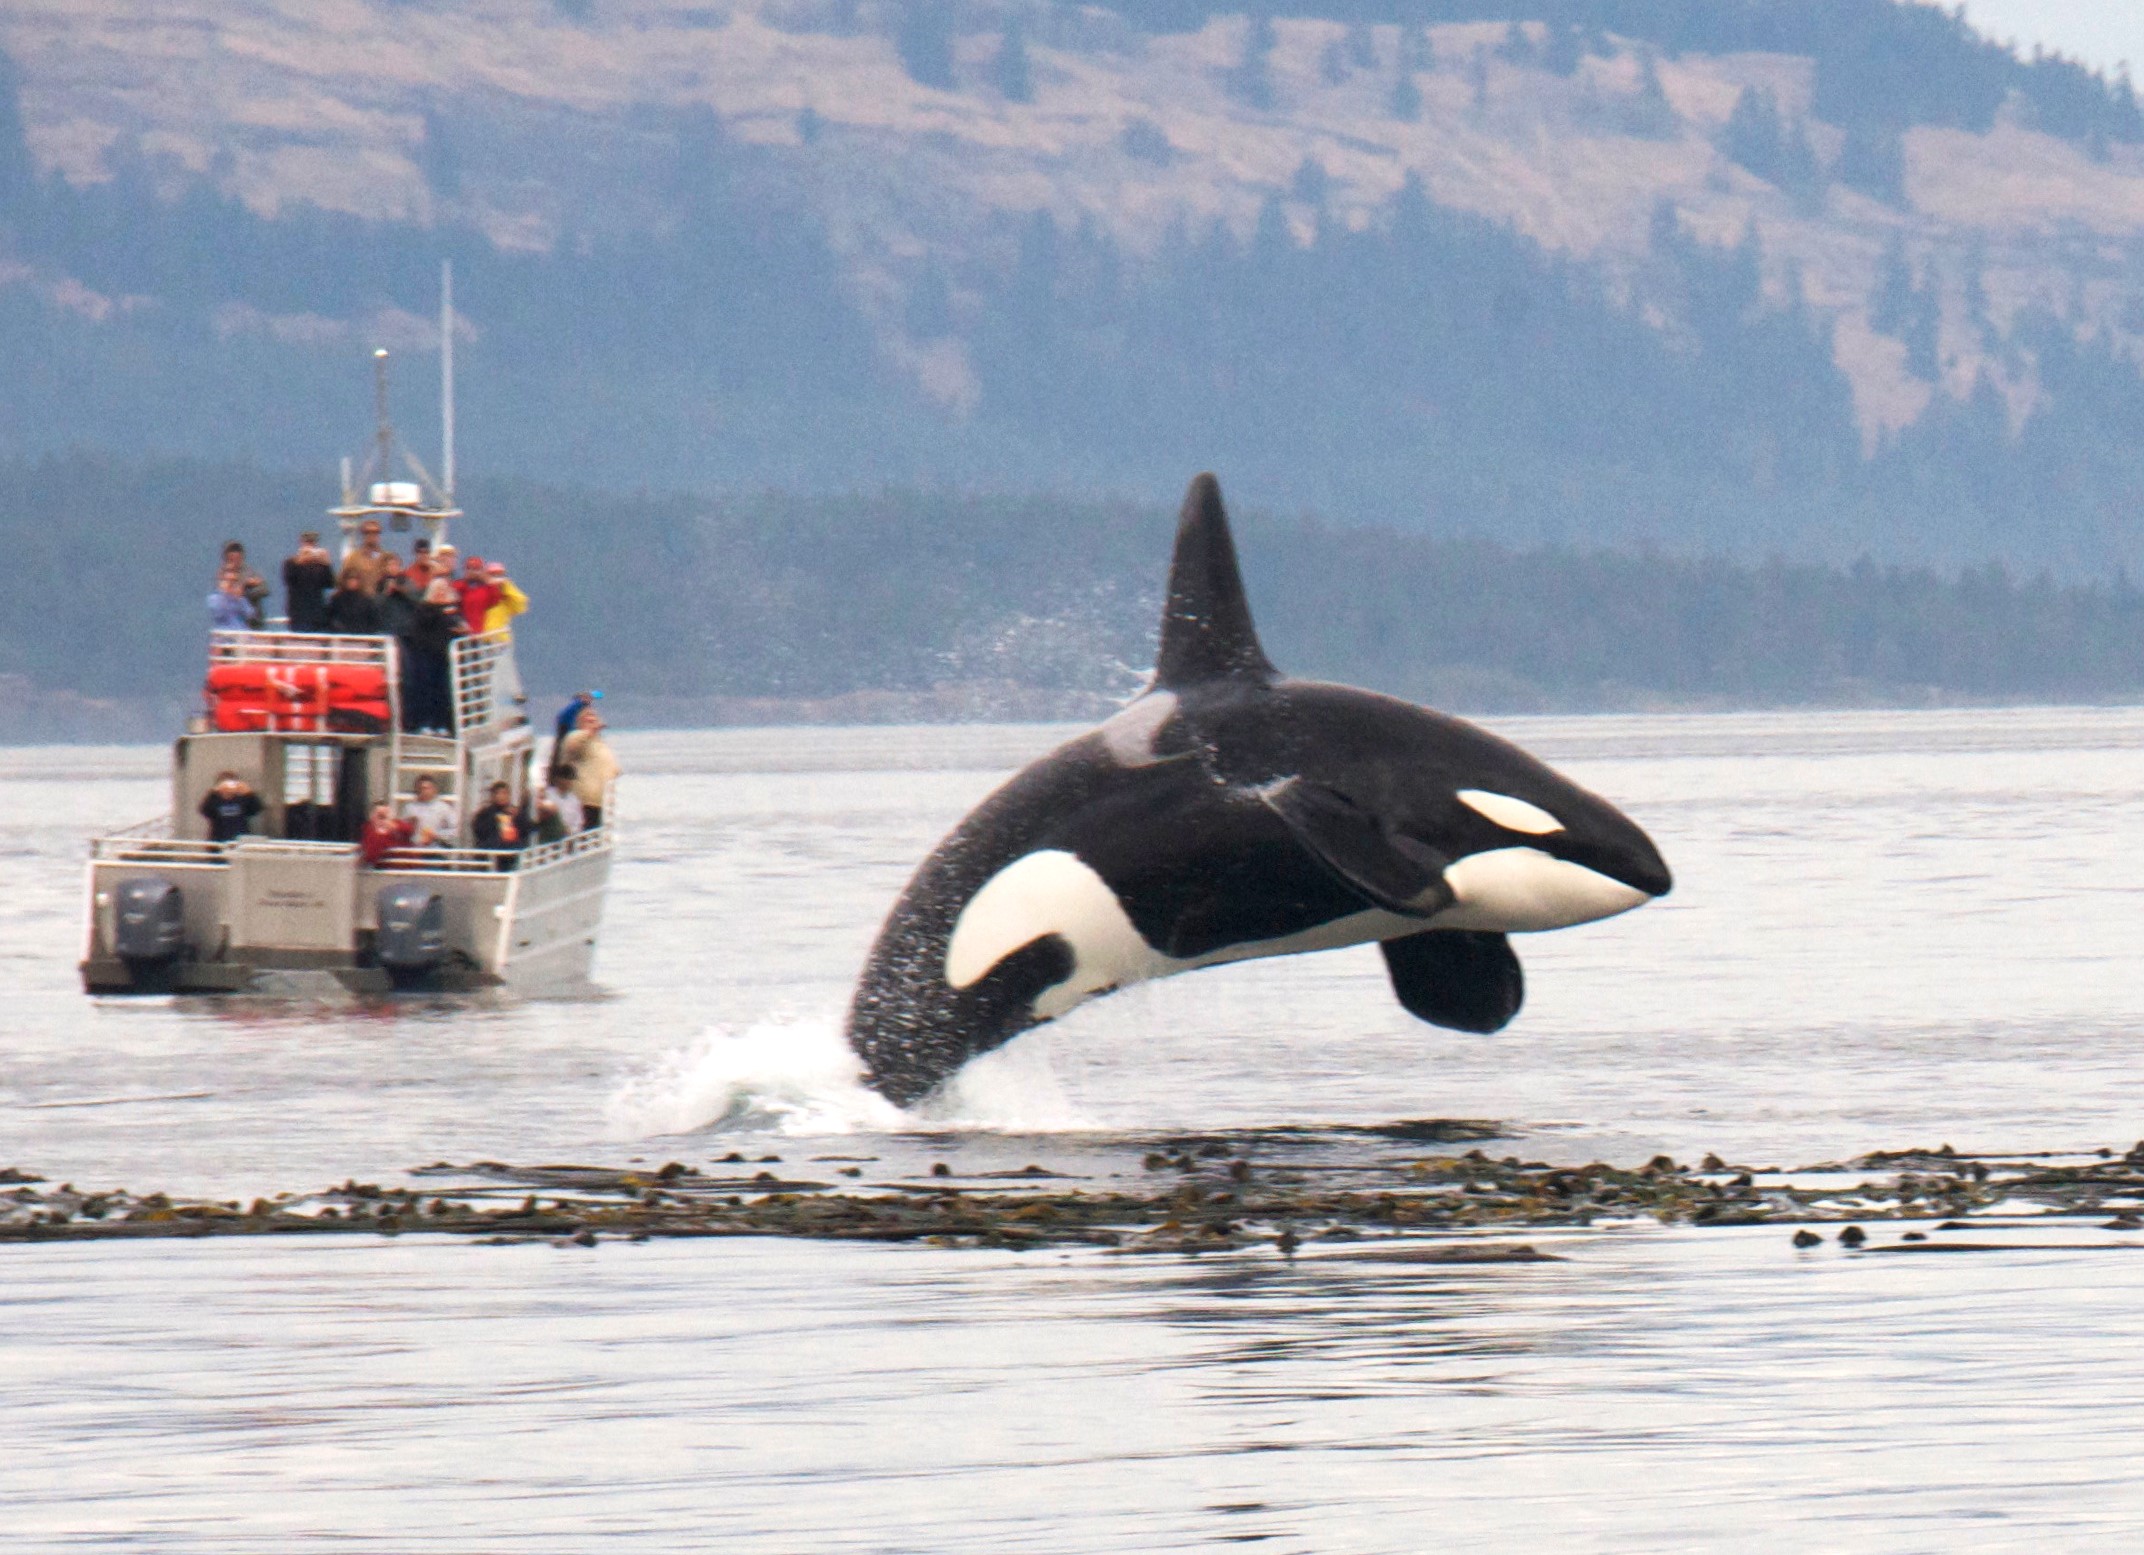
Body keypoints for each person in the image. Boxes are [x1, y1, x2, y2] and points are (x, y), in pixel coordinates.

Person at [404, 578, 464, 733]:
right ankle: (425, 723)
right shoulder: (424, 609)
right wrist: (439, 611)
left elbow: (457, 627)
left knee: (445, 692)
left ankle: (443, 724)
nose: (440, 593)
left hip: (446, 657)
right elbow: (419, 629)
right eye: (437, 590)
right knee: (426, 691)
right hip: (426, 656)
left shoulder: (454, 609)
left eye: (443, 590)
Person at [559, 707, 618, 829]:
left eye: (594, 719)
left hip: (601, 799)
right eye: (588, 720)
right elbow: (571, 746)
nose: (594, 722)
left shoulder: (597, 741)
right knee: (586, 832)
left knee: (599, 831)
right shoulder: (576, 737)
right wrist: (588, 731)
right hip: (585, 800)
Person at [283, 532, 335, 633]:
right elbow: (288, 580)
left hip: (317, 614)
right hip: (298, 613)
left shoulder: (320, 565)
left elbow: (330, 584)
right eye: (307, 543)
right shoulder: (290, 562)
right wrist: (299, 562)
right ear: (301, 543)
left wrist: (327, 565)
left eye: (313, 543)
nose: (310, 546)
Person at [470, 781, 531, 863]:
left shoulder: (515, 812)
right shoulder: (485, 813)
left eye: (504, 793)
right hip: (490, 853)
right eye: (498, 794)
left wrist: (517, 817)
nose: (501, 797)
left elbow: (526, 830)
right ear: (493, 796)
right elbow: (479, 831)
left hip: (511, 854)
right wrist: (495, 820)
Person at [198, 772, 263, 842]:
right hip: (218, 839)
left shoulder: (243, 799)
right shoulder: (215, 799)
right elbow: (205, 810)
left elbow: (257, 809)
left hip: (240, 840)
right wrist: (213, 793)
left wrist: (249, 793)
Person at [549, 689, 601, 776]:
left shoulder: (580, 707)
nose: (590, 702)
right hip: (566, 729)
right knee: (565, 753)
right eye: (587, 699)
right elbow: (564, 718)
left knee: (563, 753)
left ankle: (563, 771)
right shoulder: (577, 705)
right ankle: (563, 772)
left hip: (568, 730)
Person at [400, 775, 457, 848]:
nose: (424, 791)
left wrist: (437, 835)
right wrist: (410, 826)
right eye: (420, 788)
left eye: (427, 788)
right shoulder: (409, 808)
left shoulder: (444, 808)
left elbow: (454, 830)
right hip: (415, 850)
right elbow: (401, 830)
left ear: (434, 789)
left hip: (436, 850)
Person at [221, 542, 270, 627]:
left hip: (251, 621)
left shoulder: (250, 572)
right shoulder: (223, 574)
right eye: (231, 558)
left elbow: (265, 590)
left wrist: (247, 591)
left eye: (237, 557)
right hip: (230, 620)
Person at [325, 565, 383, 634]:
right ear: (344, 580)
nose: (352, 582)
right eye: (350, 579)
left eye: (355, 579)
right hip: (341, 636)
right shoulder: (337, 599)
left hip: (362, 637)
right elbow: (329, 618)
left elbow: (374, 620)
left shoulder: (366, 600)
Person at [536, 764, 583, 842]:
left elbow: (578, 822)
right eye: (568, 779)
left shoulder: (574, 800)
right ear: (560, 779)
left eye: (571, 780)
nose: (570, 782)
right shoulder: (548, 794)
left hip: (569, 839)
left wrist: (571, 833)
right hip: (550, 836)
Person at [343, 518, 394, 591]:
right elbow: (343, 580)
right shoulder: (353, 558)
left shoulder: (387, 557)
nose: (372, 535)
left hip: (381, 600)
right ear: (363, 534)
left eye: (376, 532)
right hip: (360, 599)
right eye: (368, 532)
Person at [358, 800, 412, 867]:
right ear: (371, 816)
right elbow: (371, 855)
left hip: (404, 867)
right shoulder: (368, 830)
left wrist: (394, 827)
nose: (383, 820)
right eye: (380, 816)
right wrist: (381, 833)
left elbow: (409, 831)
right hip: (380, 869)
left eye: (386, 816)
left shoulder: (398, 825)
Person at [481, 561, 528, 637]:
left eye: (499, 575)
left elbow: (521, 605)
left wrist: (507, 586)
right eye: (493, 575)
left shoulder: (506, 599)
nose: (496, 579)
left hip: (500, 639)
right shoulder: (480, 594)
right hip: (482, 639)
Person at [457, 554, 499, 635]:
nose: (472, 572)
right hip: (462, 633)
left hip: (482, 633)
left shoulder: (487, 589)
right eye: (469, 568)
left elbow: (495, 600)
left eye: (476, 569)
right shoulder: (460, 586)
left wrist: (487, 580)